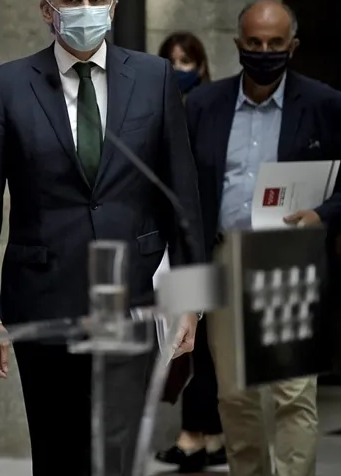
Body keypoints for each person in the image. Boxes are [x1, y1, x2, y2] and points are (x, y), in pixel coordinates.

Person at [0, 0, 203, 476]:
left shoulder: (155, 78)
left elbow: (182, 195)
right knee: (59, 451)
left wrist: (192, 300)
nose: (85, 8)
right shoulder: (5, 86)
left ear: (113, 7)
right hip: (44, 298)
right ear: (48, 9)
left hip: (135, 296)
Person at [185, 0, 341, 476]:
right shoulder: (202, 105)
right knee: (235, 394)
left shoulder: (324, 104)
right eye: (254, 43)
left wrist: (323, 213)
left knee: (292, 393)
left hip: (288, 257)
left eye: (275, 43)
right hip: (222, 258)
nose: (264, 51)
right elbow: (183, 189)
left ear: (293, 47)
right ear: (238, 46)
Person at [155, 29, 226, 473]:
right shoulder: (157, 111)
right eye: (172, 61)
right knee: (187, 344)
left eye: (187, 61)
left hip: (206, 243)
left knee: (202, 345)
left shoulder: (210, 115)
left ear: (201, 67)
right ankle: (208, 434)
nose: (180, 69)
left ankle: (197, 435)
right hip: (171, 246)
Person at [158, 31, 211, 96]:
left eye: (185, 61)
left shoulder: (214, 102)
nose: (176, 67)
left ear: (201, 67)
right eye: (170, 62)